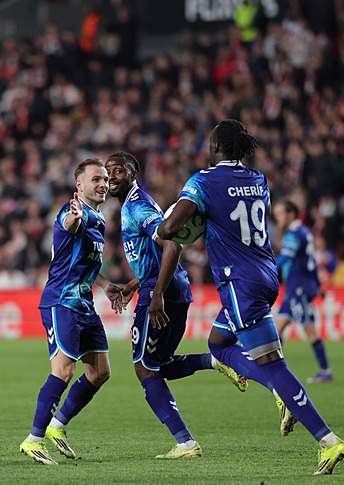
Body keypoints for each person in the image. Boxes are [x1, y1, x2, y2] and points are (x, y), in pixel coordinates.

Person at [157, 119, 344, 475]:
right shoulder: (258, 180)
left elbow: (170, 229)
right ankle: (279, 392)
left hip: (238, 282)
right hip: (266, 275)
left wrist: (167, 225)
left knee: (274, 365)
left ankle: (327, 440)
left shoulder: (203, 180)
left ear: (215, 147)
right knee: (217, 344)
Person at [105, 151, 248, 459]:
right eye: (107, 172)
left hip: (162, 296)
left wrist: (155, 296)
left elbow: (172, 244)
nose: (111, 176)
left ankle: (185, 442)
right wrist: (134, 285)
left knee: (145, 368)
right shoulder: (132, 206)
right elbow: (155, 256)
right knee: (161, 365)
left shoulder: (137, 206)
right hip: (174, 291)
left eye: (118, 171)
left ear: (133, 175)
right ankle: (214, 361)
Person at [20, 158, 124, 465]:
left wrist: (105, 284)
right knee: (64, 372)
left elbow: (85, 263)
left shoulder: (100, 219)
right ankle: (33, 439)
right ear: (79, 185)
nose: (103, 183)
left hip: (84, 304)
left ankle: (57, 426)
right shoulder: (72, 211)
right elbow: (69, 224)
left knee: (100, 372)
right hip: (61, 303)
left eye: (105, 179)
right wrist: (74, 219)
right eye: (96, 179)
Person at [273, 200, 334, 383]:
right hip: (296, 287)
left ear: (291, 213)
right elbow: (312, 261)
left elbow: (285, 257)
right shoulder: (304, 232)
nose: (277, 217)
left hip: (299, 288)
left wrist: (266, 271)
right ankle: (275, 371)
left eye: (280, 213)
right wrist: (318, 285)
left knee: (309, 330)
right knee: (277, 329)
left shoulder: (293, 234)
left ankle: (325, 370)